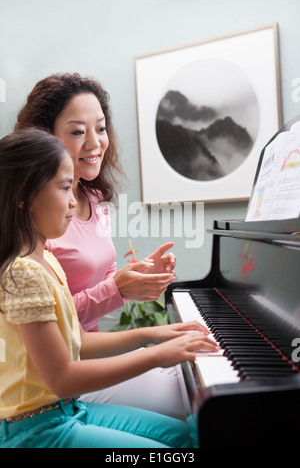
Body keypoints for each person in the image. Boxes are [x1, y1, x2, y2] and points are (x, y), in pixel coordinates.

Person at [0, 129, 218, 448]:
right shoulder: (22, 273)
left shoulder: (46, 259)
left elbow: (79, 342)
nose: (75, 202)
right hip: (33, 431)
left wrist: (152, 335)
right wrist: (157, 356)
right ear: (24, 196)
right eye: (64, 188)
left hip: (68, 410)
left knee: (186, 436)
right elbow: (62, 378)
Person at [14, 73, 198, 420]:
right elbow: (50, 316)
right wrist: (116, 291)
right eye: (77, 131)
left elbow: (102, 278)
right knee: (186, 399)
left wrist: (136, 278)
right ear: (45, 138)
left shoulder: (94, 196)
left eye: (100, 128)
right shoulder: (38, 218)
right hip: (59, 373)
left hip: (92, 352)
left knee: (186, 381)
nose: (95, 142)